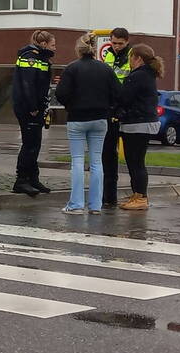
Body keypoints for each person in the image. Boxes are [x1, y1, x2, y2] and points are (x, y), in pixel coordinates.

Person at [55, 33, 119, 215]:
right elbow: (117, 93)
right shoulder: (106, 69)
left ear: (79, 49)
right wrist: (108, 107)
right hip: (100, 119)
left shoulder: (72, 69)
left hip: (77, 118)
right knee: (97, 162)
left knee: (77, 161)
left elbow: (60, 93)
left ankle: (75, 204)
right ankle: (95, 205)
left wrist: (70, 105)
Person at [115, 44, 163, 211]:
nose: (129, 61)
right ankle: (137, 194)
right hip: (143, 122)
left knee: (135, 162)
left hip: (137, 123)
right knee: (136, 161)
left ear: (138, 59)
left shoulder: (138, 76)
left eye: (131, 57)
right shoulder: (147, 75)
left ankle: (141, 197)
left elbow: (124, 98)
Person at [11, 30, 56, 197]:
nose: (55, 48)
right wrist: (32, 107)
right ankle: (21, 180)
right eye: (53, 45)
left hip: (35, 107)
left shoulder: (41, 57)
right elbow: (27, 84)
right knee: (29, 144)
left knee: (35, 143)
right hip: (28, 108)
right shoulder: (30, 57)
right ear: (43, 44)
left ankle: (32, 178)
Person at [101, 27, 131, 207]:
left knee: (132, 157)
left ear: (127, 41)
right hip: (111, 106)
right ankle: (109, 197)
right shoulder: (108, 54)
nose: (117, 46)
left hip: (125, 105)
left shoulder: (133, 54)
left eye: (120, 43)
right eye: (114, 43)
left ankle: (136, 194)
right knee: (108, 155)